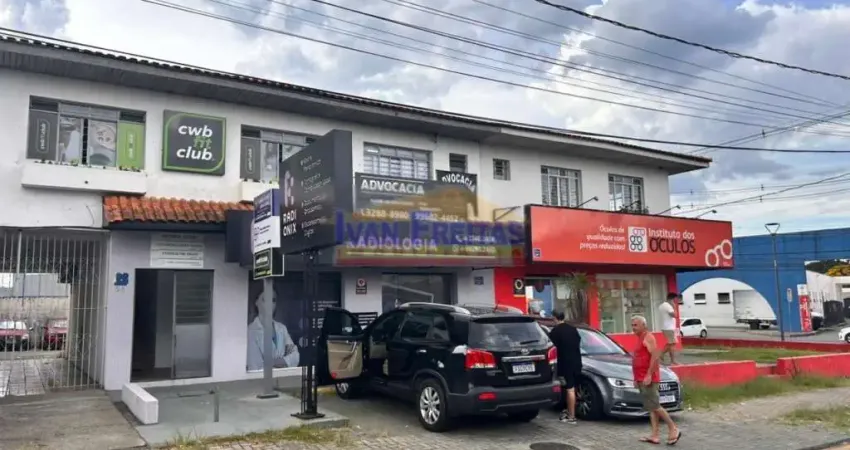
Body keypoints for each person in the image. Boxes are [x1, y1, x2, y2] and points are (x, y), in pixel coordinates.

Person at [632, 315, 681, 446]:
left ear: (644, 325)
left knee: (655, 406)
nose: (633, 328)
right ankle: (655, 435)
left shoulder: (648, 337)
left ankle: (673, 428)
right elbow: (638, 358)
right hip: (641, 377)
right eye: (632, 325)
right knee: (651, 408)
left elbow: (655, 357)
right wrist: (636, 378)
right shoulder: (639, 338)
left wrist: (648, 375)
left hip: (649, 378)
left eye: (635, 325)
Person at [247, 291, 300, 371]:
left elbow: (295, 356)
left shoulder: (282, 328)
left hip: (284, 379)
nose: (270, 304)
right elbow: (256, 368)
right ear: (256, 302)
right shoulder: (251, 331)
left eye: (273, 300)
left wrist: (271, 362)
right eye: (265, 299)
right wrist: (285, 362)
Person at [548, 310, 582, 424]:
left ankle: (572, 417)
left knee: (570, 389)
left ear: (555, 318)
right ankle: (569, 412)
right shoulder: (573, 329)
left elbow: (551, 347)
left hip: (565, 363)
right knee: (573, 389)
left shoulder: (555, 332)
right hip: (577, 362)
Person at [658, 292, 679, 365]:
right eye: (675, 300)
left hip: (666, 327)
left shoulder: (662, 305)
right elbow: (674, 315)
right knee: (672, 344)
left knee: (671, 343)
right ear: (672, 299)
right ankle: (672, 360)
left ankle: (662, 355)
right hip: (669, 327)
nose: (675, 302)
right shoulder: (668, 306)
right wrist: (674, 307)